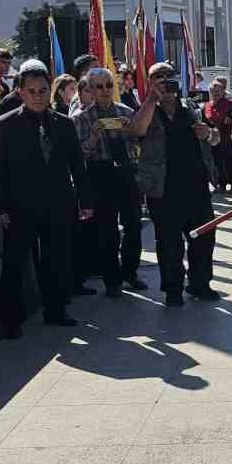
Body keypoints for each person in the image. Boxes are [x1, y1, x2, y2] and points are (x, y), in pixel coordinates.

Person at [0, 68, 93, 339]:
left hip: (57, 204)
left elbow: (77, 167)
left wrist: (85, 200)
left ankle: (55, 311)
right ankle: (11, 320)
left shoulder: (63, 124)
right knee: (15, 264)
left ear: (50, 91)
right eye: (31, 91)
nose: (37, 96)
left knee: (56, 260)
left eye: (42, 91)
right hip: (19, 208)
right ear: (20, 93)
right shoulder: (4, 125)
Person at [129, 68, 221, 306]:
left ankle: (200, 284)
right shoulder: (148, 109)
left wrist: (208, 133)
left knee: (204, 237)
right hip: (163, 188)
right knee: (169, 242)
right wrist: (151, 98)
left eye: (169, 77)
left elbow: (216, 137)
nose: (165, 82)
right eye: (159, 78)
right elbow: (137, 130)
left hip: (196, 185)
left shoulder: (191, 108)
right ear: (150, 82)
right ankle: (173, 289)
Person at [72, 67, 146, 296]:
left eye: (108, 85)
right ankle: (112, 279)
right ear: (90, 90)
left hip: (126, 171)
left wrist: (131, 129)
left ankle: (130, 272)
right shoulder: (80, 118)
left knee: (134, 224)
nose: (105, 91)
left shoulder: (125, 110)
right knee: (107, 229)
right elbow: (77, 157)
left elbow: (140, 141)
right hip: (100, 173)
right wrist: (93, 137)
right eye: (99, 86)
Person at [203, 76, 232, 194]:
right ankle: (221, 185)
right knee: (217, 163)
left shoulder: (230, 104)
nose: (215, 93)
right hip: (213, 139)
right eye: (213, 91)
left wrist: (230, 119)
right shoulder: (207, 106)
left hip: (226, 138)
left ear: (223, 91)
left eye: (218, 91)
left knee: (229, 162)